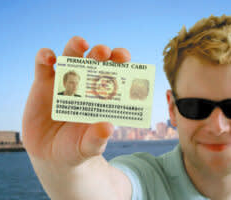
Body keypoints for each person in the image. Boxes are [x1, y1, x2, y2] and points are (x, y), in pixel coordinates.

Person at [22, 14, 231, 200]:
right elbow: (109, 191)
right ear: (172, 109)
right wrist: (66, 171)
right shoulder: (145, 179)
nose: (218, 127)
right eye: (195, 106)